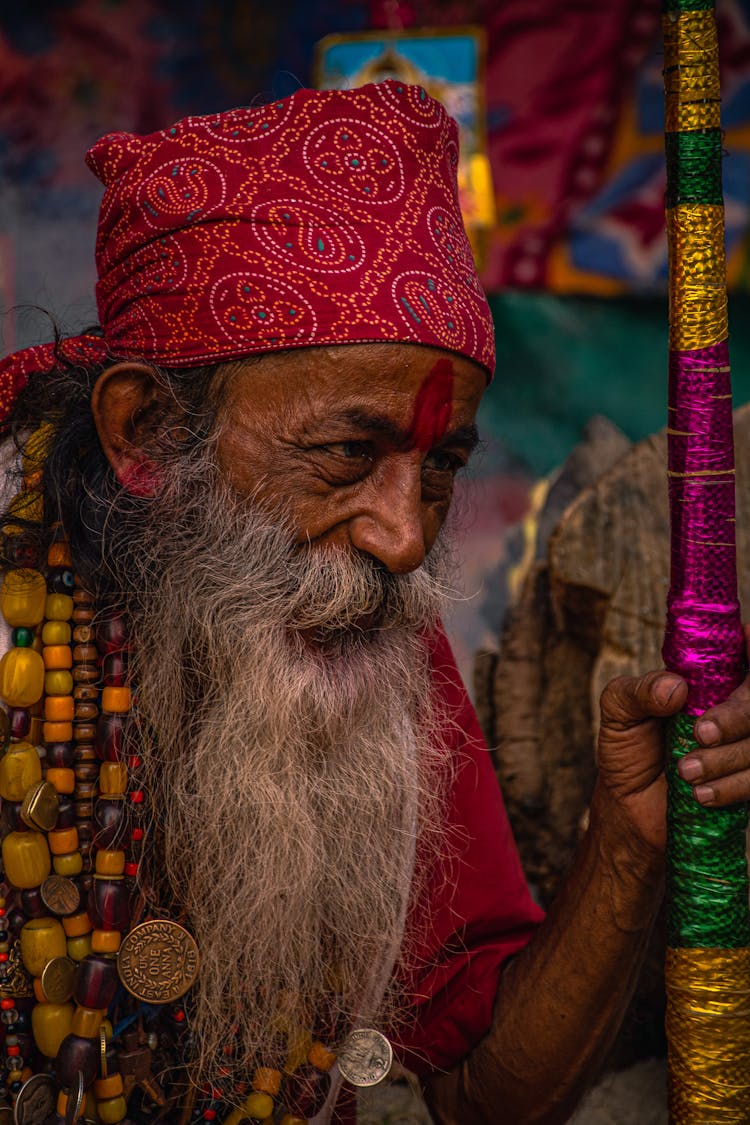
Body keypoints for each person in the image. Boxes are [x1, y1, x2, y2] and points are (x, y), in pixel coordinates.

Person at [0, 80, 748, 1125]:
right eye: (347, 453)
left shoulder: (359, 625)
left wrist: (626, 841)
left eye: (441, 465)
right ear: (145, 434)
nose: (404, 538)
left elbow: (484, 1094)